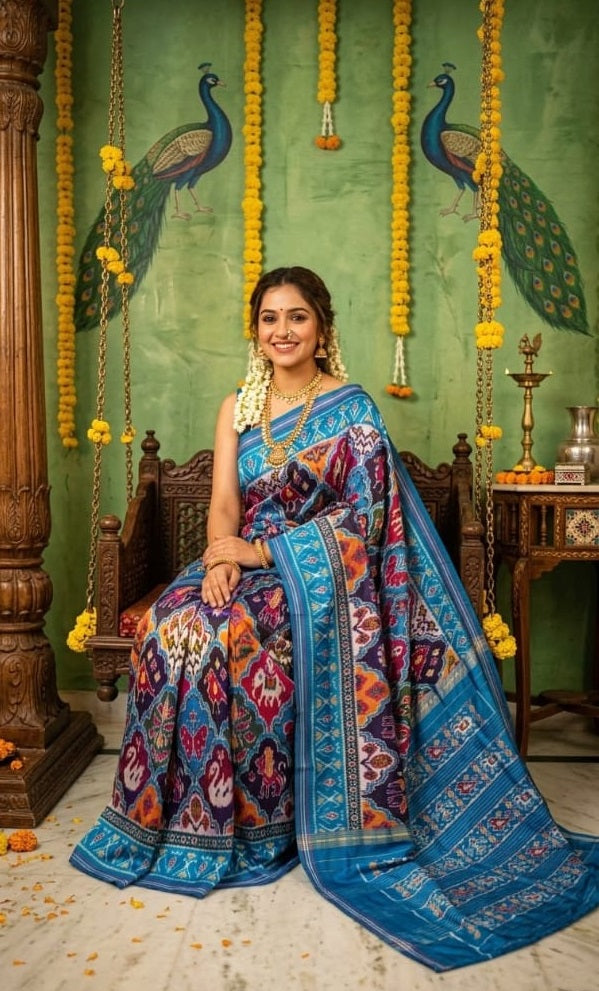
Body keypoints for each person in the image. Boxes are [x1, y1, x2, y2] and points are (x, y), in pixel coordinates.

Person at [71, 266, 599, 972]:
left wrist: (261, 552)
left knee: (231, 635)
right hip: (242, 558)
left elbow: (364, 520)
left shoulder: (351, 409)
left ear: (321, 329)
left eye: (296, 317)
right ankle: (177, 822)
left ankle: (262, 825)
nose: (281, 330)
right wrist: (222, 557)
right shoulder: (238, 407)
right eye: (268, 318)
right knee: (176, 624)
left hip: (315, 581)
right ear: (254, 332)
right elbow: (224, 501)